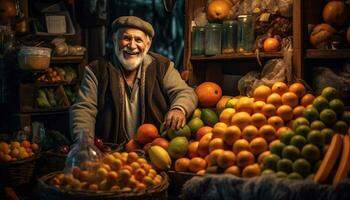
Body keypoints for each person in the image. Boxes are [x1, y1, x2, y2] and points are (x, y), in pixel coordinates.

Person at [70, 16, 197, 144]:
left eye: (138, 40)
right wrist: (84, 143)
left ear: (147, 45)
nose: (132, 46)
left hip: (154, 150)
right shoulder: (96, 69)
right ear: (115, 40)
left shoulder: (162, 66)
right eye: (126, 38)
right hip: (110, 152)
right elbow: (84, 109)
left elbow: (185, 92)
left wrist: (179, 109)